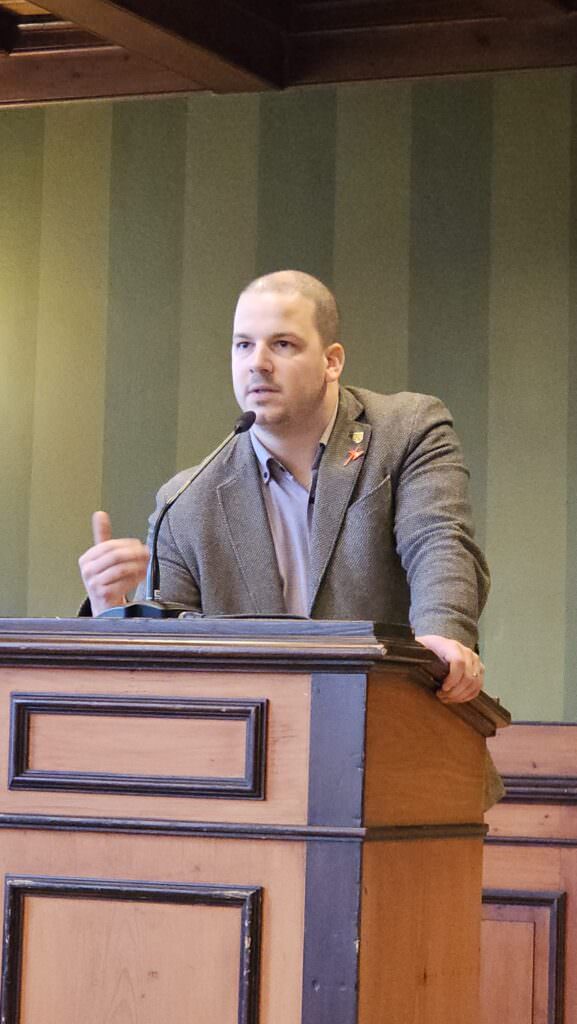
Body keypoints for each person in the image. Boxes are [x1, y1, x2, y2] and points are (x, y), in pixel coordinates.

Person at [79, 270, 489, 705]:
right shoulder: (184, 501)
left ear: (332, 361)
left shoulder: (406, 430)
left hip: (395, 713)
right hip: (250, 734)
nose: (257, 363)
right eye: (243, 345)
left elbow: (438, 541)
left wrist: (442, 636)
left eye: (282, 344)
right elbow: (169, 661)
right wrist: (113, 612)